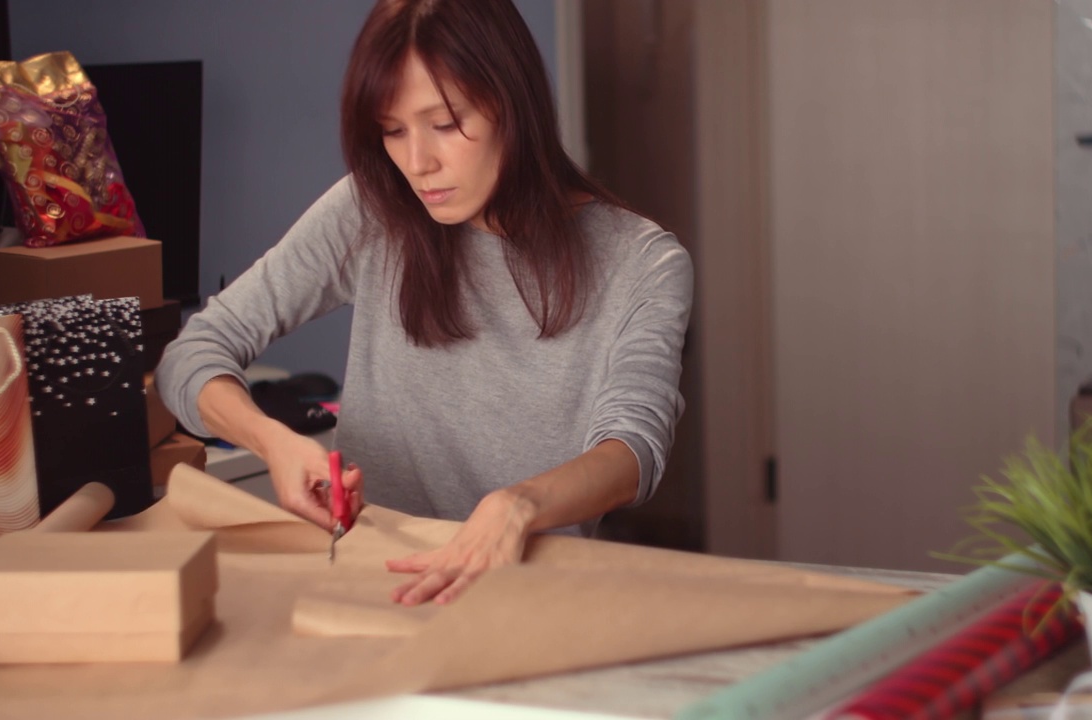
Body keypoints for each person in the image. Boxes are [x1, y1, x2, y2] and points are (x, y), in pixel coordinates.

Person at [155, 0, 693, 607]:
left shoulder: (642, 261)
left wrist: (517, 505)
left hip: (526, 599)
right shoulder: (370, 210)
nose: (417, 163)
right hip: (373, 588)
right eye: (392, 129)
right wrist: (273, 441)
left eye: (444, 123)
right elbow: (192, 353)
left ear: (513, 105)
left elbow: (633, 450)